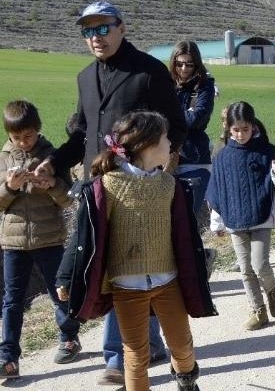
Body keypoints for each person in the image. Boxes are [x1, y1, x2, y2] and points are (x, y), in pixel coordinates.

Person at [34, 1, 179, 385]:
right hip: (96, 186)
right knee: (117, 264)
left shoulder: (148, 73)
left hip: (137, 188)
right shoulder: (84, 77)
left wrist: (157, 170)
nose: (95, 38)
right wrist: (54, 162)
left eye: (102, 28)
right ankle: (149, 343)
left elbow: (175, 126)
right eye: (88, 31)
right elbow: (81, 134)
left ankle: (117, 355)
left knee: (119, 265)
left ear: (121, 28)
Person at [55, 111, 215, 391]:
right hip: (127, 287)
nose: (171, 145)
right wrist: (66, 277)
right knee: (136, 354)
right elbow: (85, 235)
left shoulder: (170, 186)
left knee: (182, 345)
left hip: (168, 282)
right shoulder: (107, 186)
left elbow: (184, 235)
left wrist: (198, 264)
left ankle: (187, 380)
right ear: (147, 145)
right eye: (166, 138)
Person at [0, 101, 81, 378]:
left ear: (38, 130)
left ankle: (69, 337)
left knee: (59, 293)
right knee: (12, 300)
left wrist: (51, 186)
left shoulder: (52, 157)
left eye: (29, 136)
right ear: (8, 135)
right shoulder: (3, 158)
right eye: (16, 138)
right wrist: (9, 188)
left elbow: (68, 200)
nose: (23, 142)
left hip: (49, 239)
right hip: (13, 243)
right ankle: (8, 357)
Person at [206, 102, 275, 331]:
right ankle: (257, 310)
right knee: (245, 268)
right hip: (234, 220)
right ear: (228, 129)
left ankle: (271, 290)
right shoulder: (222, 157)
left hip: (261, 216)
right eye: (236, 130)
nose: (241, 134)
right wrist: (217, 221)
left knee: (260, 264)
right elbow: (217, 190)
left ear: (253, 126)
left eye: (245, 129)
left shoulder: (266, 151)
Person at [168, 40, 215, 218]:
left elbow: (196, 119)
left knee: (187, 220)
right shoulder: (165, 84)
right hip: (163, 161)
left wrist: (169, 113)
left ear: (197, 63)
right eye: (179, 64)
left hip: (193, 161)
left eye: (189, 64)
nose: (184, 69)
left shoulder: (204, 86)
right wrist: (184, 113)